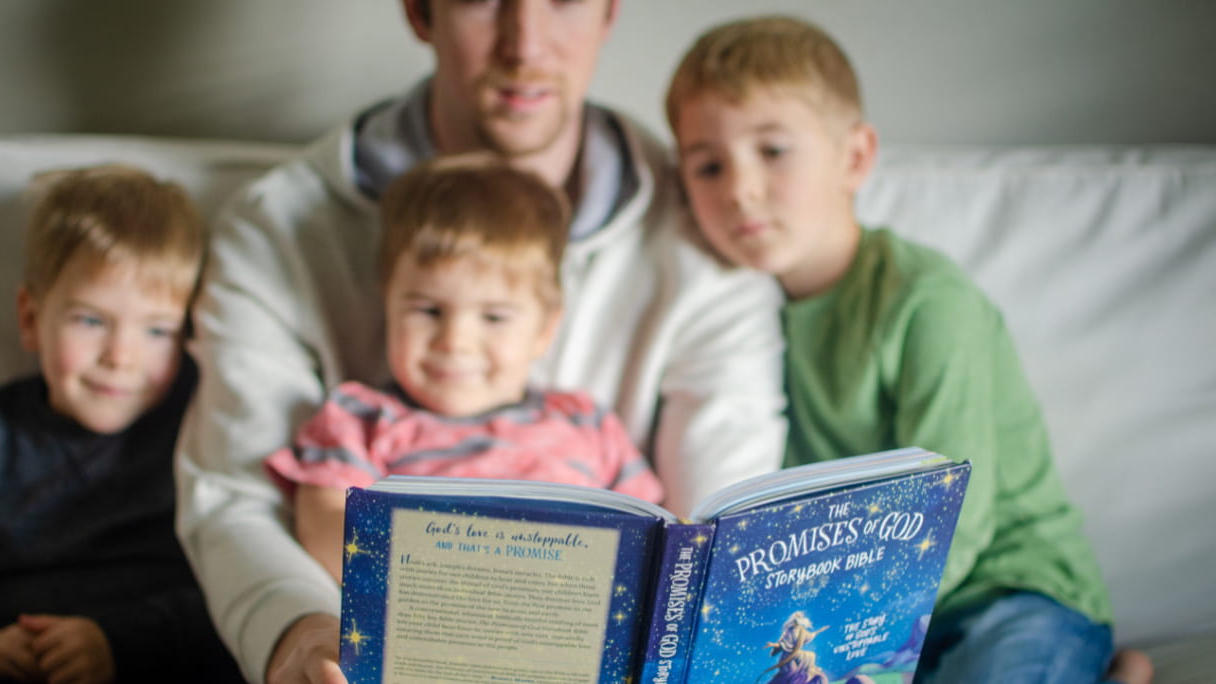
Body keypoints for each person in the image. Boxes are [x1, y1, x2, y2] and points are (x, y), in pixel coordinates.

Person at [174, 1, 788, 682]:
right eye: (481, 0)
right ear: (420, 12)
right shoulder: (277, 231)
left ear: (610, 10)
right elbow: (240, 498)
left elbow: (707, 528)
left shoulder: (711, 233)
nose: (525, 44)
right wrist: (307, 632)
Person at [663, 14, 1153, 684]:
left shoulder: (927, 301)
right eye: (708, 166)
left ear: (855, 158)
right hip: (872, 610)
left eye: (772, 151)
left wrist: (851, 639)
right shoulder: (730, 318)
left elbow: (957, 520)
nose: (739, 189)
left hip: (1005, 590)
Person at [264, 154, 663, 582]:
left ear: (545, 329)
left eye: (493, 317)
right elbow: (322, 524)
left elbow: (654, 530)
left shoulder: (586, 421)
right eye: (428, 310)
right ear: (388, 305)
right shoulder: (360, 420)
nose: (454, 341)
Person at [0, 165, 243, 684]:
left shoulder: (200, 425)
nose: (121, 357)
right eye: (90, 320)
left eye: (158, 331)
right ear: (31, 319)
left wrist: (116, 644)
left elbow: (236, 594)